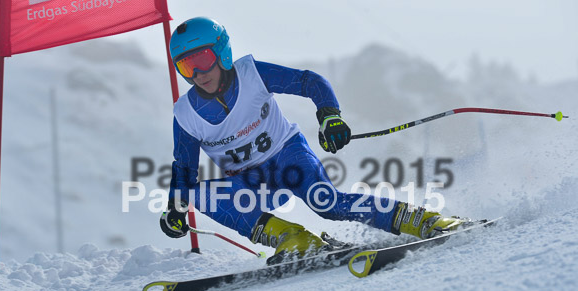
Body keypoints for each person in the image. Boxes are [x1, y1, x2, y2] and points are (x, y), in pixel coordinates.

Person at [160, 17, 468, 262]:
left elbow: (310, 82)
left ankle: (423, 220)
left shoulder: (252, 74)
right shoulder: (186, 114)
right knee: (198, 194)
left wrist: (330, 116)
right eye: (187, 65)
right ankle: (293, 239)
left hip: (289, 157)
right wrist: (176, 206)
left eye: (203, 58)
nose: (199, 73)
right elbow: (183, 167)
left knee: (327, 203)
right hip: (251, 182)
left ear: (222, 52)